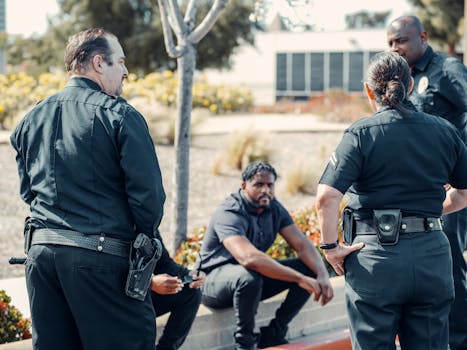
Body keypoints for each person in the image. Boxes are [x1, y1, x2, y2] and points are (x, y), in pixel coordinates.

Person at [10, 28, 166, 350]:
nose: (125, 71)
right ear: (98, 63)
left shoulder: (30, 118)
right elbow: (149, 198)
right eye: (120, 62)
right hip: (100, 261)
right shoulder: (120, 115)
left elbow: (28, 192)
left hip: (41, 260)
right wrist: (143, 241)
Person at [316, 51, 467, 350]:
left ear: (368, 90)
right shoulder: (445, 131)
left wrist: (331, 248)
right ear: (410, 85)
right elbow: (463, 193)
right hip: (432, 258)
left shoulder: (360, 134)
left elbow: (326, 197)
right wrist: (427, 215)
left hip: (375, 262)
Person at [386, 15, 467, 349]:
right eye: (390, 43)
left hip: (452, 189)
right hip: (422, 189)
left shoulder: (447, 70)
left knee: (449, 265)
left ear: (422, 36)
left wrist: (460, 168)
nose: (395, 49)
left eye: (401, 41)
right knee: (430, 268)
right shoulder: (404, 77)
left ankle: (459, 340)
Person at [198, 161, 334, 350]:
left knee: (308, 268)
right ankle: (245, 343)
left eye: (270, 185)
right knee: (248, 277)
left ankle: (273, 333)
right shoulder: (230, 212)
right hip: (211, 283)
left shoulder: (273, 208)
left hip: (249, 282)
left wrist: (322, 274)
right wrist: (298, 278)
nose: (266, 190)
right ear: (244, 185)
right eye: (258, 185)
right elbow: (249, 259)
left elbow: (302, 245)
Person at [150, 231, 205, 350]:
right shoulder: (112, 222)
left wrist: (189, 275)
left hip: (141, 294)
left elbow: (163, 263)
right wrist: (150, 283)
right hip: (113, 298)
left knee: (189, 292)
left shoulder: (147, 223)